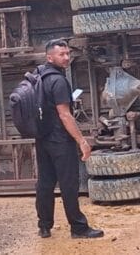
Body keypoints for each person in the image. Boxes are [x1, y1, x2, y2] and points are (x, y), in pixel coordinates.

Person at [34, 39, 103, 239]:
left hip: (43, 138)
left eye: (67, 54)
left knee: (45, 182)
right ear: (50, 57)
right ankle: (78, 228)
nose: (66, 58)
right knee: (69, 183)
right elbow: (65, 115)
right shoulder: (58, 81)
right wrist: (82, 141)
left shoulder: (40, 75)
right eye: (61, 54)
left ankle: (44, 226)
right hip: (60, 140)